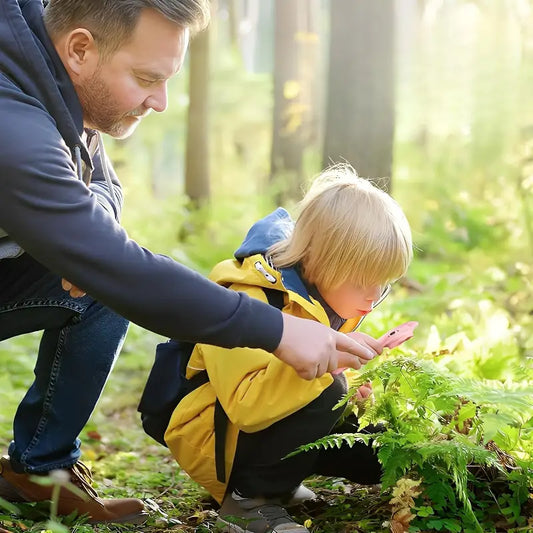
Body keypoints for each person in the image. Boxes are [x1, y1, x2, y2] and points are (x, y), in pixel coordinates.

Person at [0, 0, 380, 525]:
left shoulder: (49, 76)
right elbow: (122, 267)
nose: (160, 101)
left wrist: (80, 236)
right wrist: (278, 331)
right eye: (145, 78)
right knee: (113, 275)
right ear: (80, 49)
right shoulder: (12, 121)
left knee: (102, 288)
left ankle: (40, 470)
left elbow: (104, 184)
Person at [163, 165, 414, 532]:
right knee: (328, 390)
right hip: (214, 440)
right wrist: (331, 369)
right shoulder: (245, 298)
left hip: (262, 425)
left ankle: (280, 479)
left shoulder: (324, 294)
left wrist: (354, 384)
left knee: (378, 451)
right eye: (363, 280)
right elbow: (246, 405)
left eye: (384, 283)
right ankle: (250, 498)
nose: (373, 296)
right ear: (319, 260)